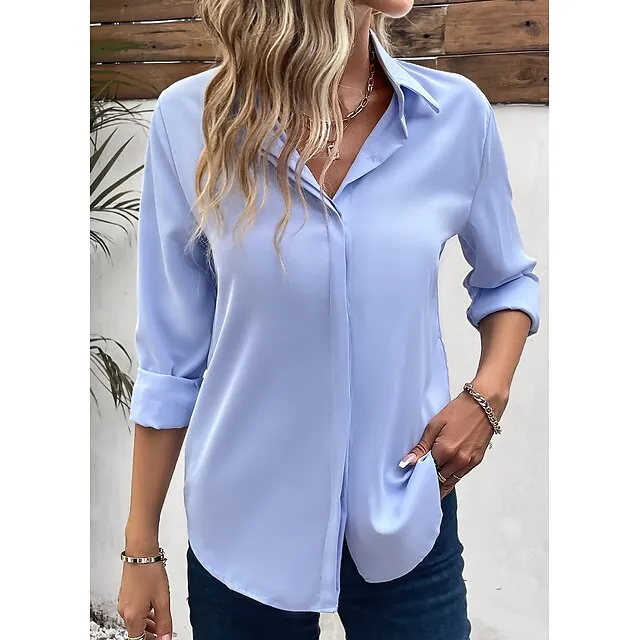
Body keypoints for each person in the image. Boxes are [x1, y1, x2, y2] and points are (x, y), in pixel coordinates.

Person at [116, 1, 540, 639]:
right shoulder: (192, 121)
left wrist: (488, 395)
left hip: (403, 513)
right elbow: (171, 357)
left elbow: (507, 279)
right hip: (244, 530)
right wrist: (141, 545)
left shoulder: (454, 117)